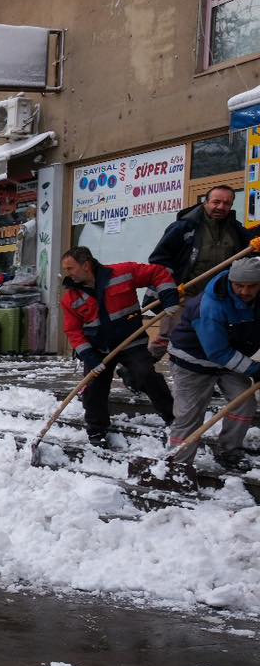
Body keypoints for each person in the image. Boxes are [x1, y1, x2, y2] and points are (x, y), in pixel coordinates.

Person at [59, 246, 179, 447]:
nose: (67, 274)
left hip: (130, 341)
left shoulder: (122, 273)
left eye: (70, 268)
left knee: (147, 375)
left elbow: (159, 272)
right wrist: (89, 356)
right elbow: (73, 331)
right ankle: (96, 431)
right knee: (93, 388)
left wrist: (169, 297)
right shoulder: (71, 298)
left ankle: (173, 419)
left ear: (86, 265)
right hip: (97, 349)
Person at [164, 255, 260, 470]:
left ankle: (229, 450)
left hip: (230, 359)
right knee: (189, 415)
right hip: (192, 360)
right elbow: (217, 351)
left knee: (244, 403)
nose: (245, 292)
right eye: (239, 286)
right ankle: (177, 465)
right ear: (230, 282)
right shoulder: (210, 304)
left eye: (252, 286)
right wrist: (255, 369)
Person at [149, 185, 255, 286]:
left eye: (227, 203)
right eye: (216, 202)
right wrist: (171, 288)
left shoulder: (237, 231)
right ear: (206, 203)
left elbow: (252, 256)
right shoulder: (184, 227)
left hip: (221, 297)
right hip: (186, 297)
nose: (221, 207)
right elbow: (159, 259)